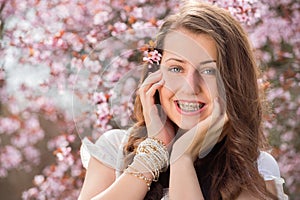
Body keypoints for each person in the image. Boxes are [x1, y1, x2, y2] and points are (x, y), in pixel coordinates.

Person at [78, 1, 288, 200]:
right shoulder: (115, 148)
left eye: (208, 71)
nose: (190, 86)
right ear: (155, 76)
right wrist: (153, 154)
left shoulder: (253, 169)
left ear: (232, 82)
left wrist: (182, 157)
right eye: (176, 68)